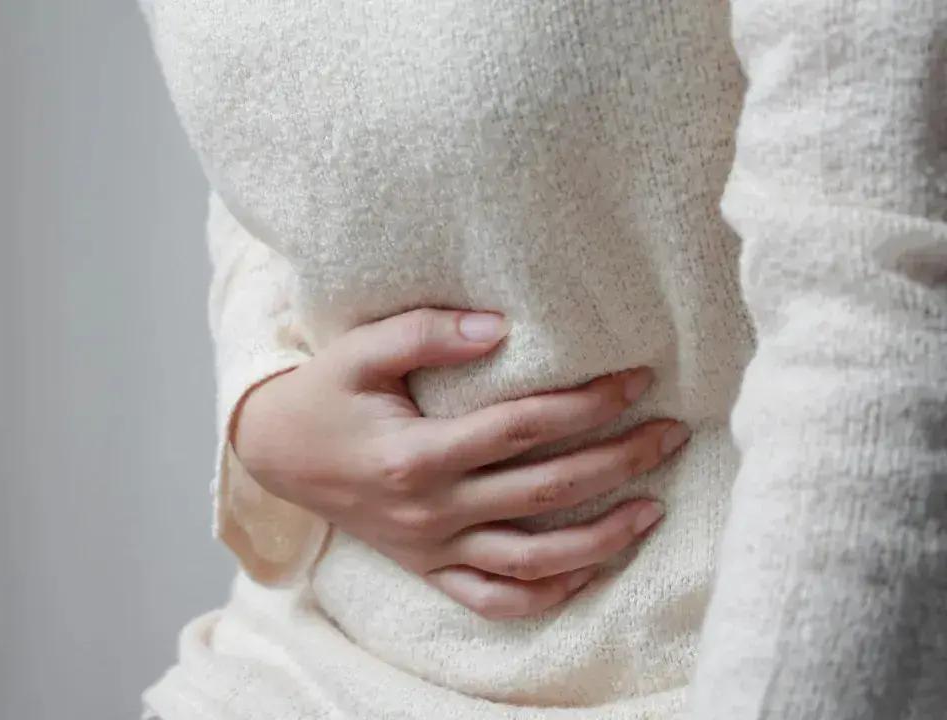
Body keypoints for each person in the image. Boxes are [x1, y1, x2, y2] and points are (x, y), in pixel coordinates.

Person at [139, 1, 947, 718]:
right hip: (306, 655)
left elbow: (879, 304)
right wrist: (260, 401)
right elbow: (269, 158)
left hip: (741, 660)